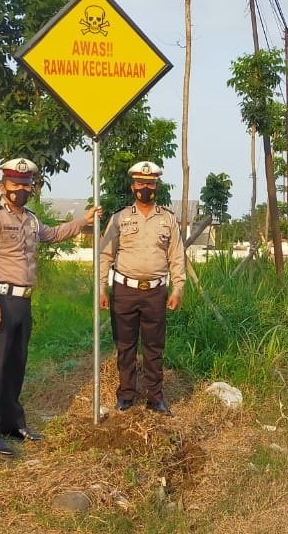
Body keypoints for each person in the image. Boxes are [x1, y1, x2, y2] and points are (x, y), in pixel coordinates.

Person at [0, 157, 100, 456]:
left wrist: (83, 221)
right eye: (15, 184)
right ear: (3, 186)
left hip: (22, 302)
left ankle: (11, 424)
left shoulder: (30, 219)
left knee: (15, 366)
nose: (21, 189)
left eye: (26, 184)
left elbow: (52, 235)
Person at [99, 161, 186, 417]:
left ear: (156, 186)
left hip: (156, 293)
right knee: (125, 346)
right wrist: (101, 288)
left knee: (154, 347)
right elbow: (105, 254)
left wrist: (178, 289)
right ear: (133, 186)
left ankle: (155, 398)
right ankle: (126, 395)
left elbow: (177, 256)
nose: (145, 187)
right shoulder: (119, 218)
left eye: (150, 183)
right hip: (124, 291)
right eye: (140, 183)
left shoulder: (168, 219)